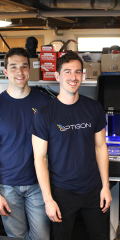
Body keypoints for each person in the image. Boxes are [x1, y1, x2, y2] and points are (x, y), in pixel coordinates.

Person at [30, 51, 112, 240]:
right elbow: (40, 159)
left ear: (82, 75)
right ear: (57, 76)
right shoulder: (44, 114)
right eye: (67, 72)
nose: (73, 77)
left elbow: (101, 147)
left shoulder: (93, 108)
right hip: (62, 193)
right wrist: (48, 199)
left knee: (100, 236)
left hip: (93, 190)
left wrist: (105, 186)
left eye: (77, 72)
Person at [0, 47, 51, 239]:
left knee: (42, 237)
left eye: (23, 67)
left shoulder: (45, 103)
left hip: (38, 185)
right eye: (13, 67)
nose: (19, 72)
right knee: (17, 237)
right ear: (5, 72)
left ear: (29, 70)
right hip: (7, 187)